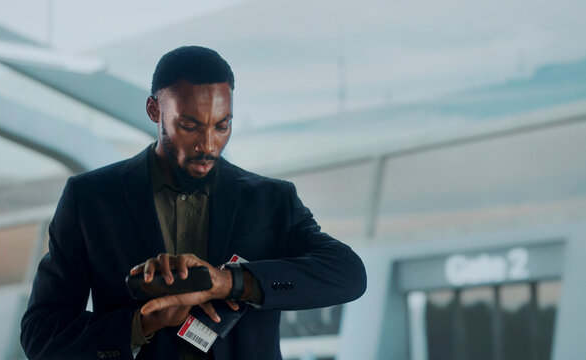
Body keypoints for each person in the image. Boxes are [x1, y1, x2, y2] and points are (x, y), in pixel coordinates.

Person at [20, 46, 367, 360]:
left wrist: (229, 281)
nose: (208, 145)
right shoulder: (90, 199)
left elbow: (348, 274)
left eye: (222, 125)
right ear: (154, 110)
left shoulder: (271, 199)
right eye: (189, 126)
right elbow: (40, 333)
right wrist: (140, 324)